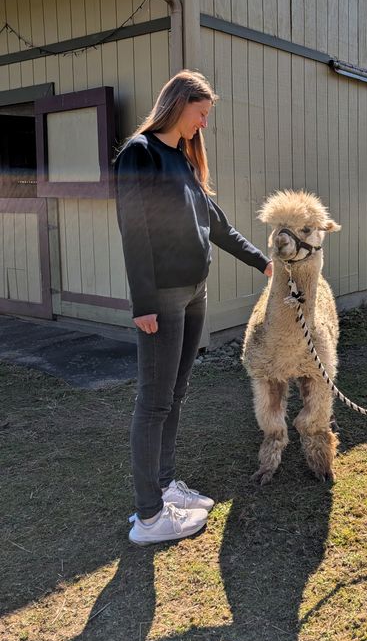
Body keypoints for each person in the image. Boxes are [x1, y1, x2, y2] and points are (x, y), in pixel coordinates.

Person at [115, 70, 272, 545]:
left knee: (175, 394)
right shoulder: (138, 155)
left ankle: (164, 486)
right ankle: (148, 518)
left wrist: (266, 264)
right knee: (154, 400)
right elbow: (134, 231)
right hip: (161, 298)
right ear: (179, 104)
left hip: (193, 291)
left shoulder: (182, 159)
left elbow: (217, 226)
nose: (203, 124)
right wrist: (143, 303)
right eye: (201, 113)